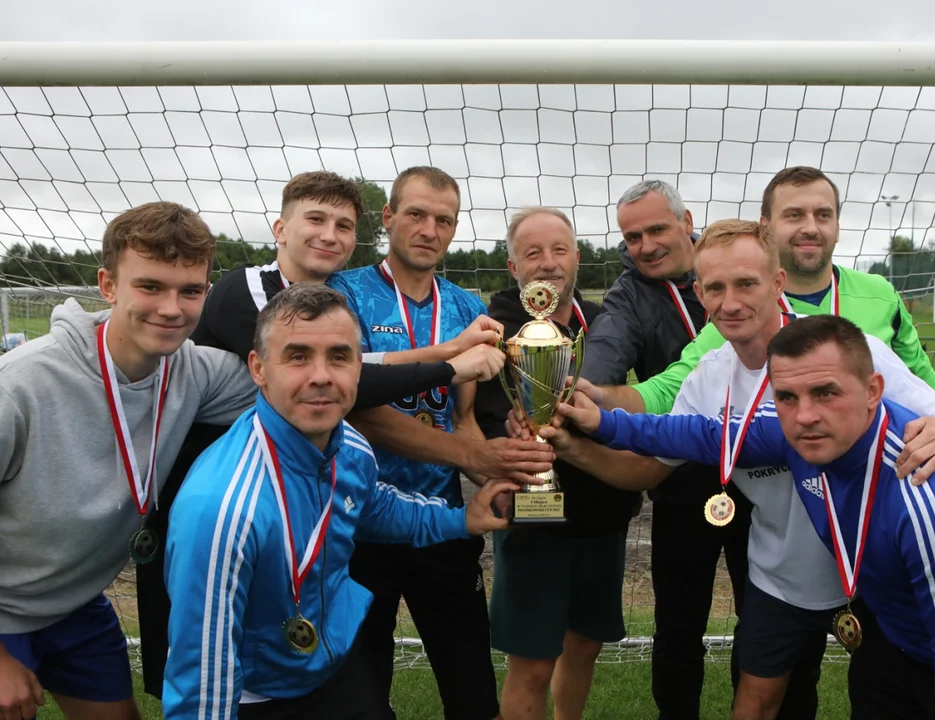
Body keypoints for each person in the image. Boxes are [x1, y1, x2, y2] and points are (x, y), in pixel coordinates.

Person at [532, 219, 935, 720]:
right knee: (754, 703)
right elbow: (647, 470)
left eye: (746, 284)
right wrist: (569, 448)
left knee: (889, 699)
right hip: (780, 576)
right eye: (715, 288)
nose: (731, 303)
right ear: (700, 294)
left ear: (777, 283)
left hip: (871, 571)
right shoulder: (708, 378)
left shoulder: (845, 352)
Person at [563, 314, 935, 720]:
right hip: (896, 639)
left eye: (826, 392)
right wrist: (601, 421)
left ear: (873, 391)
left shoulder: (932, 498)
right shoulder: (795, 433)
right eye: (787, 397)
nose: (805, 415)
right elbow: (698, 434)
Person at [136, 171, 506, 699]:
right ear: (279, 228)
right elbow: (351, 386)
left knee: (332, 671)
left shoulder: (342, 304)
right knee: (215, 662)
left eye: (343, 225)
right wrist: (449, 361)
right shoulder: (252, 290)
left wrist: (497, 460)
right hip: (212, 501)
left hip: (346, 501)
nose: (329, 235)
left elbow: (353, 371)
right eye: (315, 219)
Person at [162, 283, 517, 719]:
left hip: (336, 668)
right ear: (258, 368)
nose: (321, 376)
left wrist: (461, 520)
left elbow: (374, 507)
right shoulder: (222, 510)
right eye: (297, 356)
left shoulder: (348, 443)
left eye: (339, 357)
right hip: (259, 697)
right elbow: (201, 686)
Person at [0, 202, 258, 720]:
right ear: (108, 285)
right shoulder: (19, 386)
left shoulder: (195, 371)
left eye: (189, 291)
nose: (171, 308)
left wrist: (431, 362)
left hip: (74, 604)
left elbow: (308, 380)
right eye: (151, 286)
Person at [330, 167, 554, 720]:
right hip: (360, 525)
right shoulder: (344, 293)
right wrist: (473, 455)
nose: (429, 230)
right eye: (416, 214)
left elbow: (464, 420)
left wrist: (507, 478)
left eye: (444, 220)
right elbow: (358, 409)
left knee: (473, 692)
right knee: (361, 696)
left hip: (444, 522)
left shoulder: (465, 307)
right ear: (388, 218)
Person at [580, 180, 752, 718]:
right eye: (632, 237)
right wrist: (582, 391)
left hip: (763, 474)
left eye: (657, 229)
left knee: (766, 619)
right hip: (678, 477)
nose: (646, 245)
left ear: (687, 222)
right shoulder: (628, 295)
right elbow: (605, 353)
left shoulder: (733, 263)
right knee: (678, 625)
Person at [585, 166, 935, 416]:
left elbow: (929, 391)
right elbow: (667, 390)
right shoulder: (740, 316)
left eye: (823, 215)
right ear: (766, 226)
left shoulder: (881, 293)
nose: (810, 228)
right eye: (794, 215)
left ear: (837, 225)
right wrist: (593, 396)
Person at [472, 207, 639, 720]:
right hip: (534, 519)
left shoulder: (602, 323)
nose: (548, 263)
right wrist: (508, 443)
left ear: (577, 257)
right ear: (512, 266)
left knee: (584, 644)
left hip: (602, 513)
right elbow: (479, 419)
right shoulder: (493, 329)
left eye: (559, 250)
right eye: (533, 253)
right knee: (533, 662)